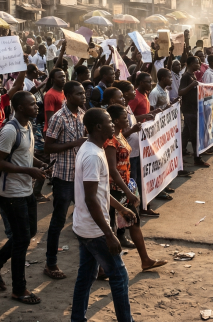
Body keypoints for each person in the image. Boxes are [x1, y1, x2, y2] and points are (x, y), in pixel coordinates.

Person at [0, 91, 49, 304]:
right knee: (21, 241)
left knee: (29, 233)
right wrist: (29, 172)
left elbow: (24, 155)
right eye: (31, 104)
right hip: (10, 193)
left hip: (25, 190)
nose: (36, 107)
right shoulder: (10, 130)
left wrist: (38, 164)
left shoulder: (27, 125)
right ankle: (19, 289)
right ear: (19, 108)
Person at [71, 108, 136, 322]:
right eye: (109, 122)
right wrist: (109, 234)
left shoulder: (93, 149)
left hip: (85, 227)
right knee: (119, 276)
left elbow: (100, 193)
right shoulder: (92, 155)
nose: (113, 126)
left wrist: (119, 207)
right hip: (94, 230)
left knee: (86, 276)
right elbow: (91, 199)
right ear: (98, 127)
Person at [105, 104, 167, 271]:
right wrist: (127, 191)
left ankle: (145, 259)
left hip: (125, 186)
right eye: (125, 118)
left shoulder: (119, 135)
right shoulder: (110, 141)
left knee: (134, 221)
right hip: (114, 189)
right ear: (116, 120)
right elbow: (112, 169)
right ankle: (103, 267)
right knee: (110, 227)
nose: (128, 120)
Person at [44, 81, 87, 280]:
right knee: (59, 220)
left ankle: (92, 262)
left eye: (83, 94)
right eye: (79, 94)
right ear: (68, 96)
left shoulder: (82, 114)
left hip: (81, 175)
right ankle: (50, 263)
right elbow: (48, 147)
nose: (83, 97)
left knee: (86, 216)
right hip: (63, 176)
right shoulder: (58, 118)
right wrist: (73, 144)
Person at [179, 57, 211, 167]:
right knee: (194, 135)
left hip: (193, 108)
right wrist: (191, 86)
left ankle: (180, 155)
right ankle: (197, 158)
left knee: (186, 133)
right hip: (189, 110)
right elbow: (181, 92)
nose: (199, 65)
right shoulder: (186, 77)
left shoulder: (192, 75)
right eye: (197, 63)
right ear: (191, 64)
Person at [43, 68, 67, 132]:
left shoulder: (64, 92)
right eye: (60, 77)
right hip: (54, 131)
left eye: (64, 76)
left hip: (63, 129)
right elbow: (50, 118)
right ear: (53, 80)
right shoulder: (50, 95)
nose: (63, 79)